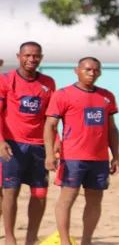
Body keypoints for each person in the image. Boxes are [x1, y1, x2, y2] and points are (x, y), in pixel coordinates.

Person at [44, 57, 119, 245]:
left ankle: (86, 241)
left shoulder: (107, 96)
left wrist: (116, 156)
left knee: (95, 201)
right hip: (72, 158)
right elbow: (50, 125)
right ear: (76, 71)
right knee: (67, 199)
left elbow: (112, 129)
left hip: (100, 159)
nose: (92, 73)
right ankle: (64, 241)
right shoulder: (63, 95)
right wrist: (49, 154)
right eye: (87, 69)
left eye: (96, 70)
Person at [0, 42, 58, 245]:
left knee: (40, 193)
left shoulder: (48, 83)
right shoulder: (6, 79)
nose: (31, 59)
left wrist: (56, 143)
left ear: (41, 58)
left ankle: (31, 240)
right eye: (27, 55)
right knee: (10, 191)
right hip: (12, 145)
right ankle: (9, 237)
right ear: (19, 56)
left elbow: (50, 118)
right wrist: (0, 142)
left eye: (36, 56)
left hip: (39, 146)